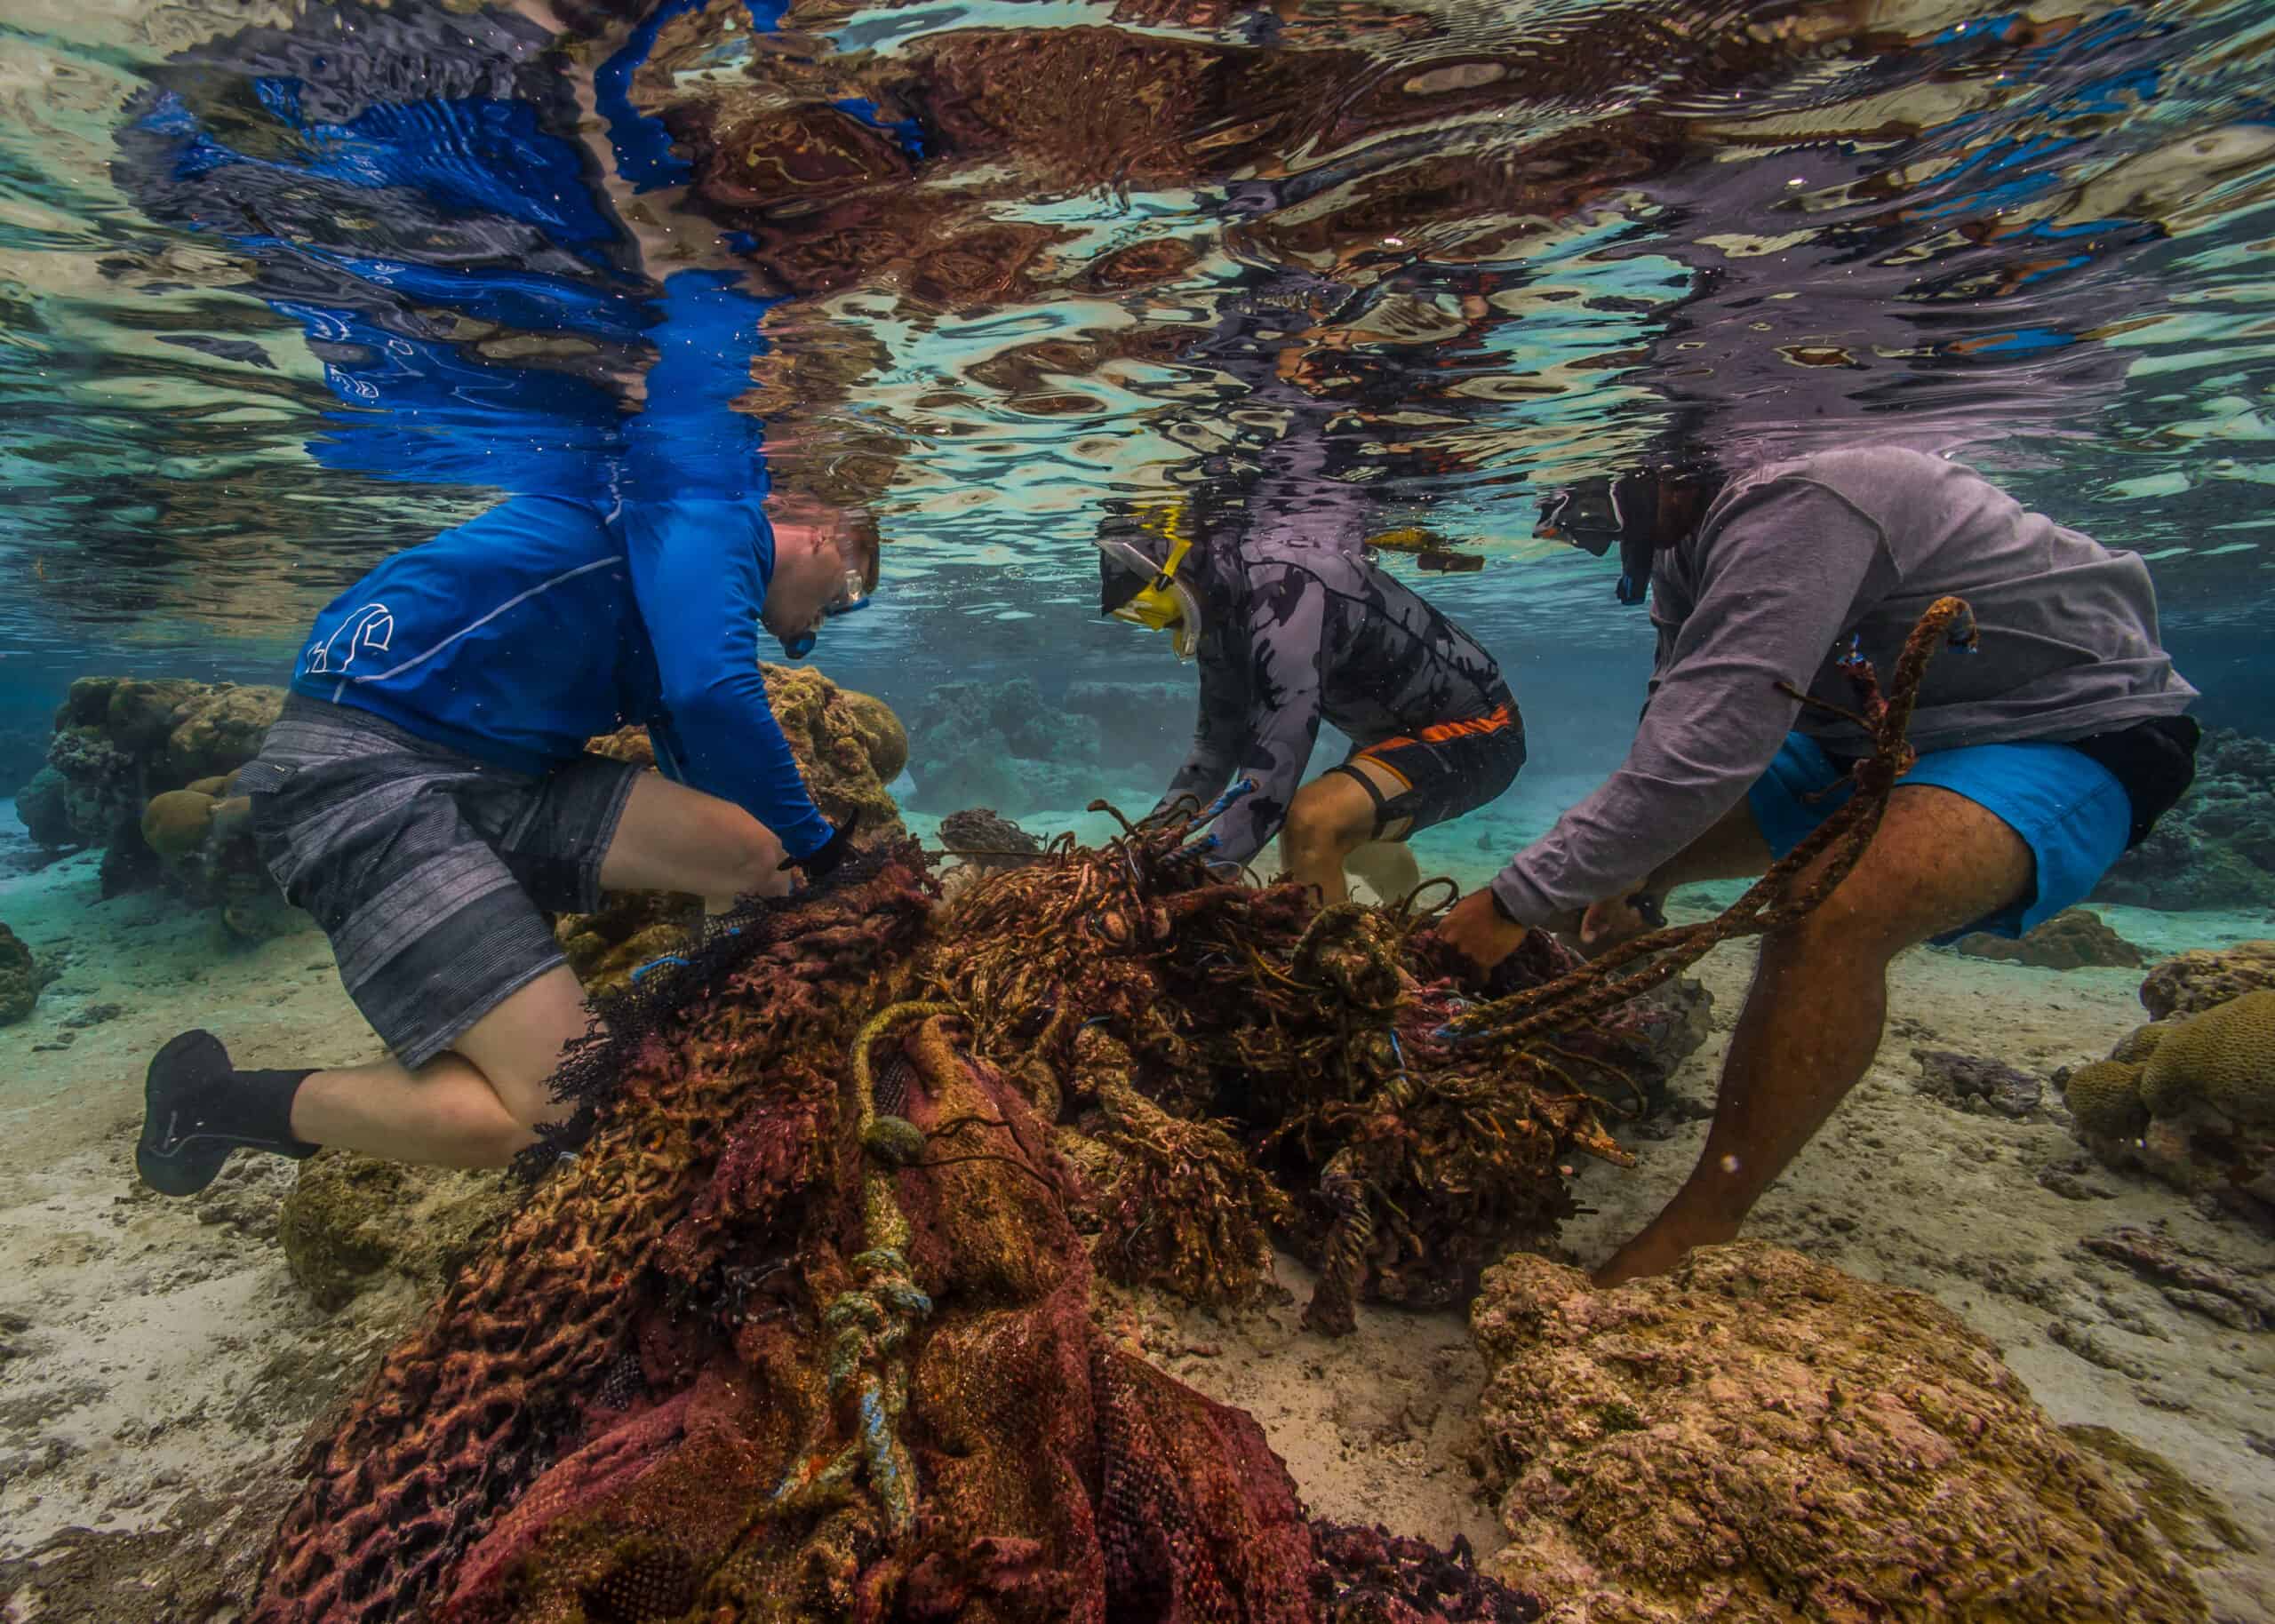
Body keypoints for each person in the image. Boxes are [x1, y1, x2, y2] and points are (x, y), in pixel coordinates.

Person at [1436, 445, 2200, 1285]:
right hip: (1863, 739)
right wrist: (1623, 869)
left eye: (1590, 501)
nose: (1573, 522)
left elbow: (1712, 749)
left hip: (2068, 729)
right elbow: (1676, 725)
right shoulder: (1688, 545)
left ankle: (1706, 1221)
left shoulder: (1800, 498)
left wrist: (1510, 901)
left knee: (1831, 906)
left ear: (1675, 467)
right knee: (1604, 857)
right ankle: (1568, 1069)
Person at [1097, 494, 1524, 905]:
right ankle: (1410, 926)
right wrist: (1142, 847)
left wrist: (1187, 881)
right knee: (1358, 844)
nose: (1157, 626)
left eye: (1154, 608)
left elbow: (1273, 777)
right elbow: (1214, 749)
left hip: (1482, 731)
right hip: (1395, 736)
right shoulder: (1222, 609)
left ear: (1180, 570)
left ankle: (1331, 971)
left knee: (1313, 822)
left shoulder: (1287, 589)